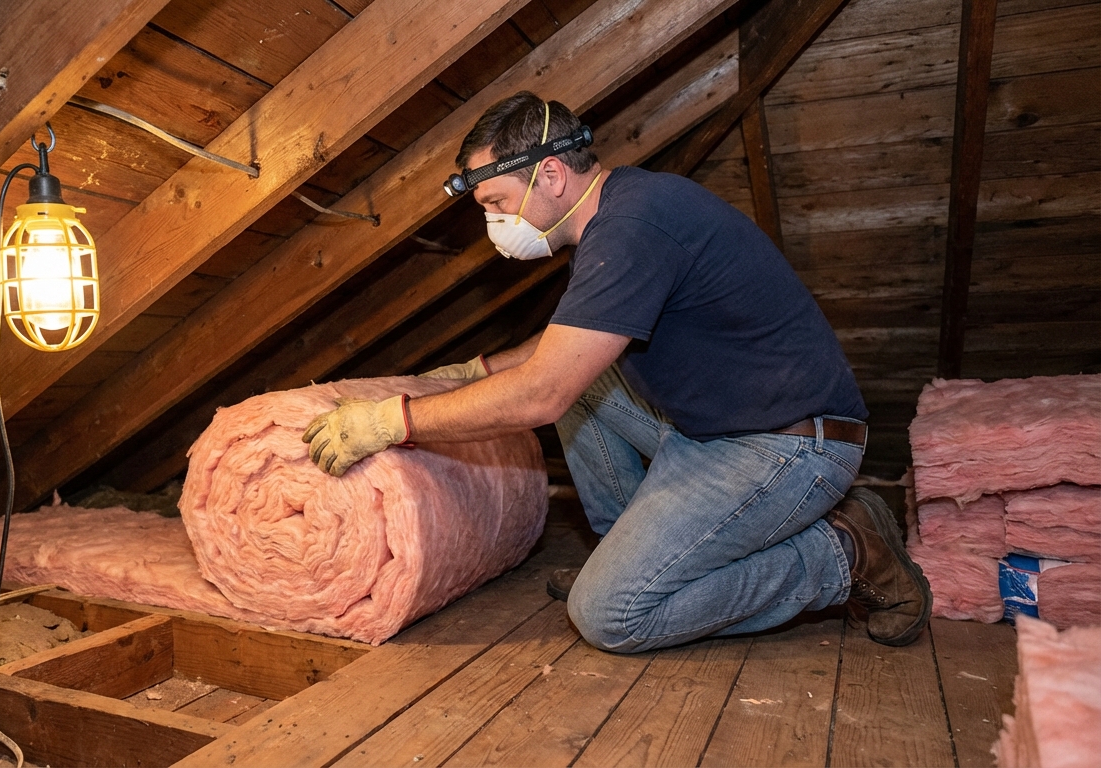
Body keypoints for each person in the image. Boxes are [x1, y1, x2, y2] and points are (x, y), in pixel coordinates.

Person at [302, 91, 932, 651]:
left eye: (495, 201)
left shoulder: (632, 227)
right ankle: (629, 551)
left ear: (549, 173)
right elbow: (568, 349)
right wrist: (473, 372)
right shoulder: (624, 210)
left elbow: (544, 392)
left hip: (787, 447)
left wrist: (393, 421)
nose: (492, 221)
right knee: (589, 384)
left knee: (611, 615)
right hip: (715, 433)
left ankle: (843, 553)